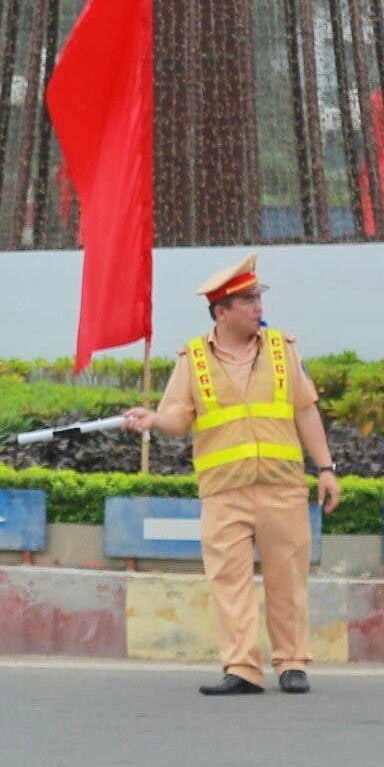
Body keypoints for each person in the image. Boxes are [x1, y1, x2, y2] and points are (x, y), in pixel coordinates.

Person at [122, 254, 340, 697]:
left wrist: (326, 468)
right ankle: (241, 668)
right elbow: (177, 419)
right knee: (229, 583)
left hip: (282, 487)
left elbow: (305, 410)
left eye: (258, 298)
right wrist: (152, 419)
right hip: (224, 493)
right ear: (222, 311)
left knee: (288, 580)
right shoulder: (193, 359)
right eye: (248, 300)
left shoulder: (283, 349)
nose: (258, 307)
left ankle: (292, 662)